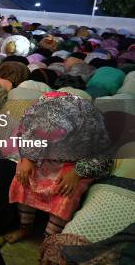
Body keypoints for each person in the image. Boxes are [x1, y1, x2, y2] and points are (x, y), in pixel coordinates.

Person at [6, 93, 113, 243]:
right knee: (23, 178)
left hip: (78, 164)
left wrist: (77, 172)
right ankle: (26, 227)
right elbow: (25, 137)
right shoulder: (36, 114)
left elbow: (104, 157)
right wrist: (27, 159)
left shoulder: (91, 124)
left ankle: (49, 239)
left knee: (66, 191)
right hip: (45, 158)